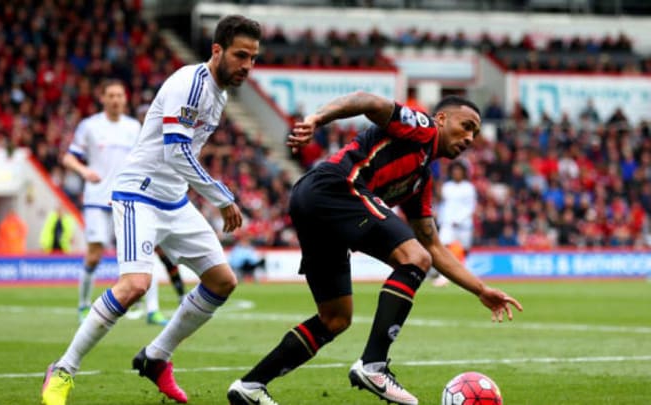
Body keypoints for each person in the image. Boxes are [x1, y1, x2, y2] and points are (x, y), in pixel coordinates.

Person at [227, 92, 523, 405]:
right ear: (441, 119)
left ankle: (251, 386)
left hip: (314, 203)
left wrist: (480, 290)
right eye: (465, 126)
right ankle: (374, 365)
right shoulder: (421, 127)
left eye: (475, 133)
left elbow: (433, 243)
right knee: (414, 259)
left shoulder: (420, 179)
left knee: (335, 318)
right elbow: (368, 101)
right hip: (335, 187)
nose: (469, 137)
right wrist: (317, 118)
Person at [41, 14, 261, 405]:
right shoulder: (188, 85)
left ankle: (157, 356)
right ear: (217, 50)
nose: (247, 66)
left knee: (223, 281)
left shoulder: (221, 95)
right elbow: (176, 151)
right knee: (134, 286)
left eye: (253, 58)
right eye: (241, 55)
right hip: (138, 194)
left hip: (174, 200)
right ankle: (62, 370)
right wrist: (221, 195)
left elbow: (184, 156)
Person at [60, 80, 169, 326]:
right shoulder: (90, 126)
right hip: (97, 199)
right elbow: (68, 157)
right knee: (95, 255)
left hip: (129, 199)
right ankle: (83, 305)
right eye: (111, 95)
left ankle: (152, 310)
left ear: (125, 99)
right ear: (103, 98)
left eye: (120, 95)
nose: (116, 100)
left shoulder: (134, 128)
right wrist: (84, 171)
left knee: (143, 251)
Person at [432, 161, 477, 287]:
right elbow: (442, 203)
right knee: (443, 247)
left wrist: (460, 219)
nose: (456, 173)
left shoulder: (468, 187)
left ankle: (464, 277)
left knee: (463, 250)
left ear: (463, 173)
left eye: (459, 171)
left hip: (464, 225)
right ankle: (443, 275)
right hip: (448, 223)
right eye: (454, 170)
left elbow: (470, 207)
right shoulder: (447, 186)